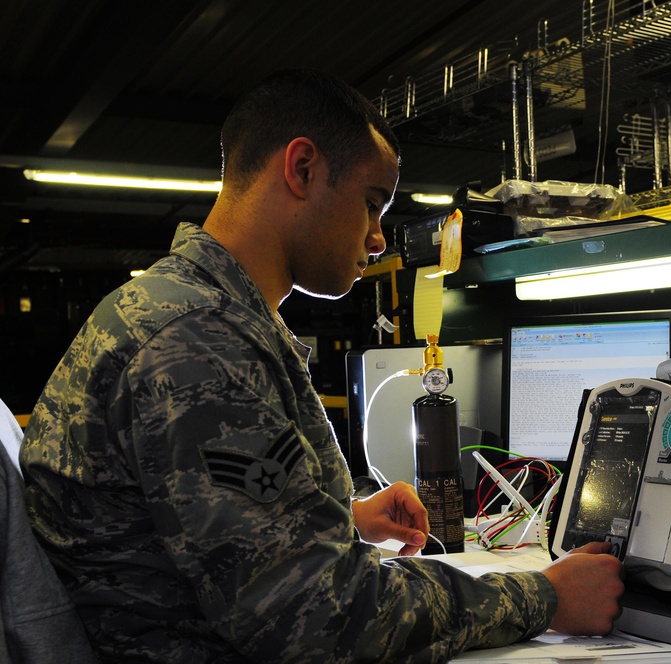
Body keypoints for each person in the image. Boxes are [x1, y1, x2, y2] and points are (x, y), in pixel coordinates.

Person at [19, 69, 624, 663]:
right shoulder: (196, 341)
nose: (379, 238)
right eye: (370, 203)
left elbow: (193, 537)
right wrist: (541, 596)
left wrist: (339, 516)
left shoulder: (191, 310)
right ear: (303, 169)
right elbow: (320, 620)